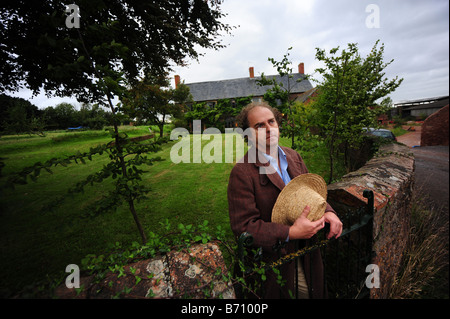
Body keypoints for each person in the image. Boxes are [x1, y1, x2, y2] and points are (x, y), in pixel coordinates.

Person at [227, 102, 343, 298]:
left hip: (309, 249)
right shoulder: (243, 172)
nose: (268, 129)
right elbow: (244, 227)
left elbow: (311, 191)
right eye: (259, 126)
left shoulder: (293, 156)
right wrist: (290, 232)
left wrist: (329, 211)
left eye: (271, 121)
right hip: (277, 259)